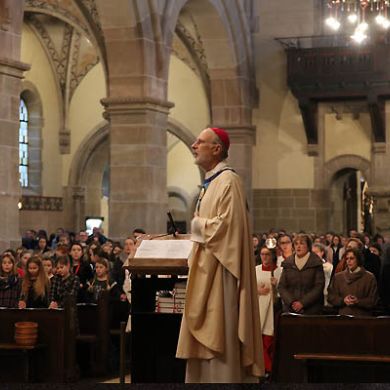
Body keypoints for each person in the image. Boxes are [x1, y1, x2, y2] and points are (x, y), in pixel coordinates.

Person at [176, 127, 263, 382]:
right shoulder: (211, 182)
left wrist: (196, 225)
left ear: (216, 149)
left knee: (220, 327)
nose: (194, 145)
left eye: (200, 142)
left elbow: (228, 227)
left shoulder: (229, 181)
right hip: (205, 268)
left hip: (221, 272)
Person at [278, 233, 325, 314]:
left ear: (308, 246)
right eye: (296, 244)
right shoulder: (288, 263)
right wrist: (292, 302)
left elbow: (319, 286)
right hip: (290, 309)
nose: (298, 246)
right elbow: (282, 286)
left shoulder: (315, 262)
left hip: (311, 309)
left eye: (302, 243)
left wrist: (302, 303)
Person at [327, 248, 379, 316]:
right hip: (343, 317)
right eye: (347, 258)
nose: (348, 261)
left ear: (358, 260)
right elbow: (331, 297)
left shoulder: (369, 277)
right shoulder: (338, 277)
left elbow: (373, 300)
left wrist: (358, 301)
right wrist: (343, 300)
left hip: (363, 317)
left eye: (351, 258)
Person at [255, 245, 282, 374]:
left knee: (270, 340)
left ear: (272, 256)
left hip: (273, 309)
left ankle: (271, 369)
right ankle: (263, 367)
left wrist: (276, 285)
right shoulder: (255, 270)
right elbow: (247, 289)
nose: (264, 257)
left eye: (267, 254)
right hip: (259, 309)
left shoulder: (279, 271)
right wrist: (257, 290)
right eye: (262, 254)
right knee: (259, 339)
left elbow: (283, 291)